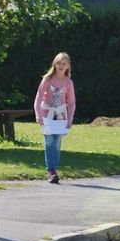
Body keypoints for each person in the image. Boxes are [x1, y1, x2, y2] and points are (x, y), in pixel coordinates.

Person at [33, 52, 76, 184]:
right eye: (59, 63)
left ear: (68, 66)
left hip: (61, 116)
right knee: (49, 142)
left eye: (64, 63)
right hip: (47, 115)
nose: (61, 66)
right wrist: (38, 115)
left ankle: (54, 169)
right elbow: (39, 97)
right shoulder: (47, 79)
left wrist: (70, 118)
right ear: (55, 64)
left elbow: (71, 102)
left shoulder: (68, 82)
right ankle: (51, 171)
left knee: (56, 143)